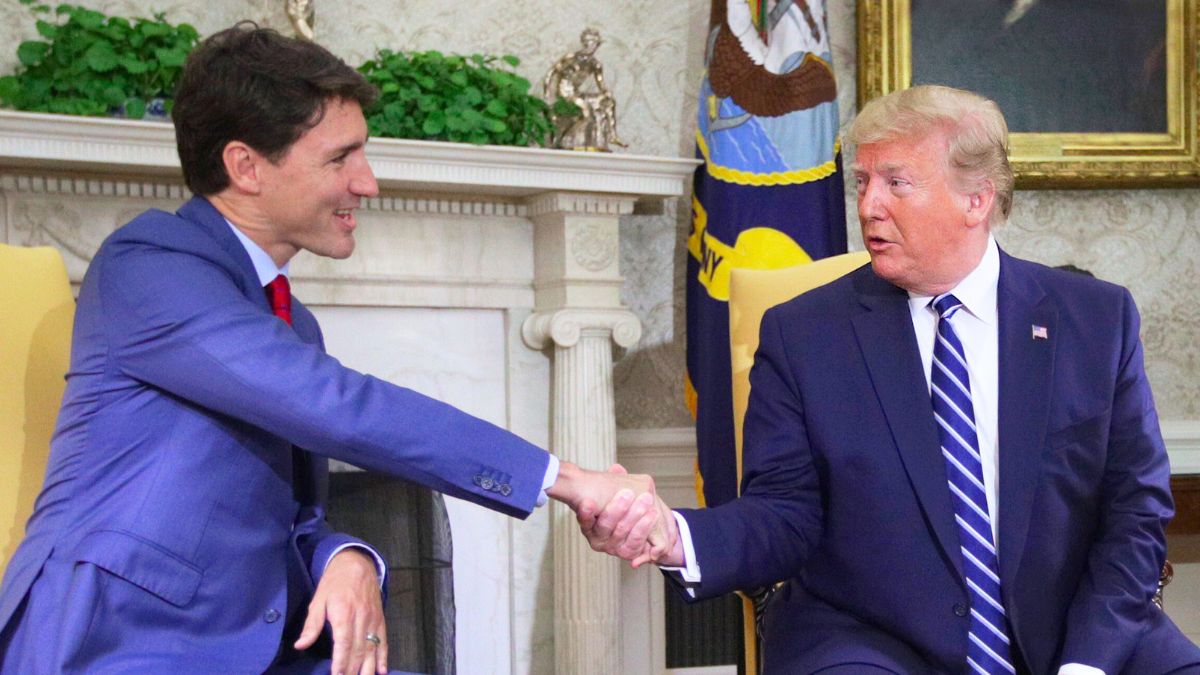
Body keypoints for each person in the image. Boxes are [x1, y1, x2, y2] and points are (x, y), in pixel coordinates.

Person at [0, 24, 659, 675]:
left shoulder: (291, 323)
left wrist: (349, 556)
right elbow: (340, 405)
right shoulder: (147, 267)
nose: (367, 182)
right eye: (340, 158)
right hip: (113, 641)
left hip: (253, 649)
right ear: (246, 166)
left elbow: (295, 517)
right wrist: (567, 478)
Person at [580, 85, 1200, 674]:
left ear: (977, 199)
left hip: (1072, 625)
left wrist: (1087, 663)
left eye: (896, 183)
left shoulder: (1094, 319)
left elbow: (1134, 511)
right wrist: (670, 533)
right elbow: (782, 516)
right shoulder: (805, 335)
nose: (869, 205)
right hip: (871, 637)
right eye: (863, 182)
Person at [543, 28, 626, 151]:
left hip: (576, 93)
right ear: (585, 43)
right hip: (565, 92)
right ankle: (569, 140)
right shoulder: (572, 58)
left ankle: (612, 136)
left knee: (609, 102)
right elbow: (552, 72)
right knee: (586, 110)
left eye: (595, 43)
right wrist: (546, 93)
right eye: (591, 42)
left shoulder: (595, 64)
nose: (593, 46)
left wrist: (606, 92)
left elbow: (600, 83)